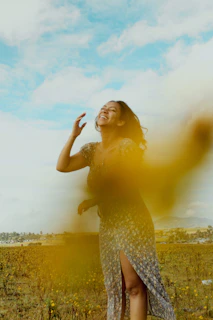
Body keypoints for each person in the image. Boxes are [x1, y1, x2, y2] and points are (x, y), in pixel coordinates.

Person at [56, 100, 176, 320]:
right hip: (109, 222)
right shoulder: (91, 150)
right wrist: (73, 136)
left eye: (112, 110)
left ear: (121, 121)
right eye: (103, 108)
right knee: (115, 287)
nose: (105, 110)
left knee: (133, 285)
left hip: (132, 219)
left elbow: (128, 184)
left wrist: (95, 200)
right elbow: (62, 166)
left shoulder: (127, 146)